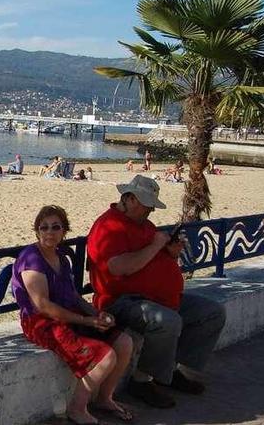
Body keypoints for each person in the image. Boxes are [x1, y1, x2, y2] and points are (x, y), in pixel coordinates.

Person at [87, 175, 226, 409]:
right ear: (129, 199)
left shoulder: (145, 225)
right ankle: (142, 381)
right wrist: (155, 246)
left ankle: (169, 370)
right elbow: (120, 267)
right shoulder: (107, 226)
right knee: (167, 322)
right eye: (147, 204)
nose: (151, 210)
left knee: (212, 312)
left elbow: (155, 257)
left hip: (160, 298)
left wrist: (170, 252)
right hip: (122, 301)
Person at [13, 206, 134, 425]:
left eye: (56, 227)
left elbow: (74, 297)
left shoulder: (61, 258)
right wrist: (87, 321)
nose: (50, 232)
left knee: (124, 343)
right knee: (105, 357)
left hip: (69, 313)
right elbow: (43, 306)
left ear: (64, 231)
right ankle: (77, 409)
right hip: (42, 322)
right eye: (44, 227)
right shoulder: (31, 258)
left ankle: (105, 398)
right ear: (37, 231)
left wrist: (97, 314)